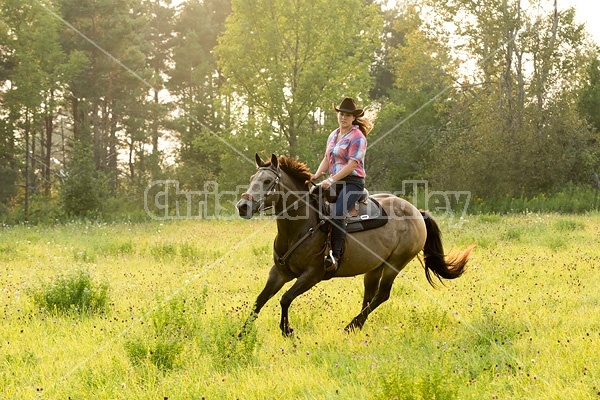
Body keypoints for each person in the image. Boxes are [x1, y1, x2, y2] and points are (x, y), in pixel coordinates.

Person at [310, 97, 374, 270]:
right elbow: (326, 159)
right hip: (336, 181)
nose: (343, 118)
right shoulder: (333, 135)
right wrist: (315, 176)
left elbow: (353, 164)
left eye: (347, 115)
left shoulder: (358, 137)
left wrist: (330, 180)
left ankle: (334, 255)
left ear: (353, 118)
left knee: (337, 213)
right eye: (341, 114)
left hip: (353, 183)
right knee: (310, 201)